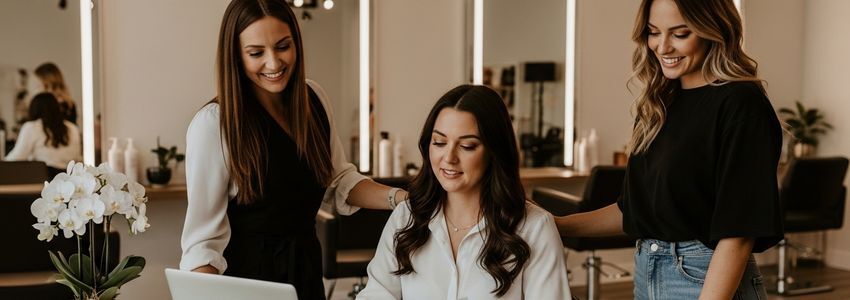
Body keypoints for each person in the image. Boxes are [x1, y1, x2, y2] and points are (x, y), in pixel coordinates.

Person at [179, 0, 408, 299]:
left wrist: (402, 199)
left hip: (306, 276)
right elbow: (202, 244)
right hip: (248, 286)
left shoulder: (313, 100)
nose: (273, 64)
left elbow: (339, 181)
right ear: (235, 55)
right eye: (256, 53)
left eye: (283, 46)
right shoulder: (214, 125)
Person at [555, 0, 782, 299]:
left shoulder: (740, 103)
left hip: (705, 279)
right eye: (653, 32)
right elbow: (635, 211)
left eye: (680, 33)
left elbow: (737, 233)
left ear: (712, 30)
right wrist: (553, 225)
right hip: (648, 272)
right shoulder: (657, 105)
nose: (662, 47)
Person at [358, 85, 570, 299]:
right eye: (439, 142)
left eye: (467, 146)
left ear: (494, 152)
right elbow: (376, 294)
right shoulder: (406, 217)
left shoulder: (534, 228)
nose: (449, 157)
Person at [4, 92, 81, 177]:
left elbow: (17, 157)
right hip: (68, 180)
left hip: (42, 180)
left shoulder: (31, 127)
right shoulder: (72, 128)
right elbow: (76, 157)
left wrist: (3, 163)